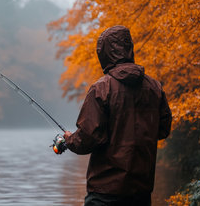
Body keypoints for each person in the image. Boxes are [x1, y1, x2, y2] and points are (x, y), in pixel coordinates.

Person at [63, 25, 172, 206]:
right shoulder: (155, 88)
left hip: (105, 192)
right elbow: (163, 130)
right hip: (141, 191)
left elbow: (87, 138)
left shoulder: (101, 89)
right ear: (129, 48)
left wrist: (68, 139)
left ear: (104, 53)